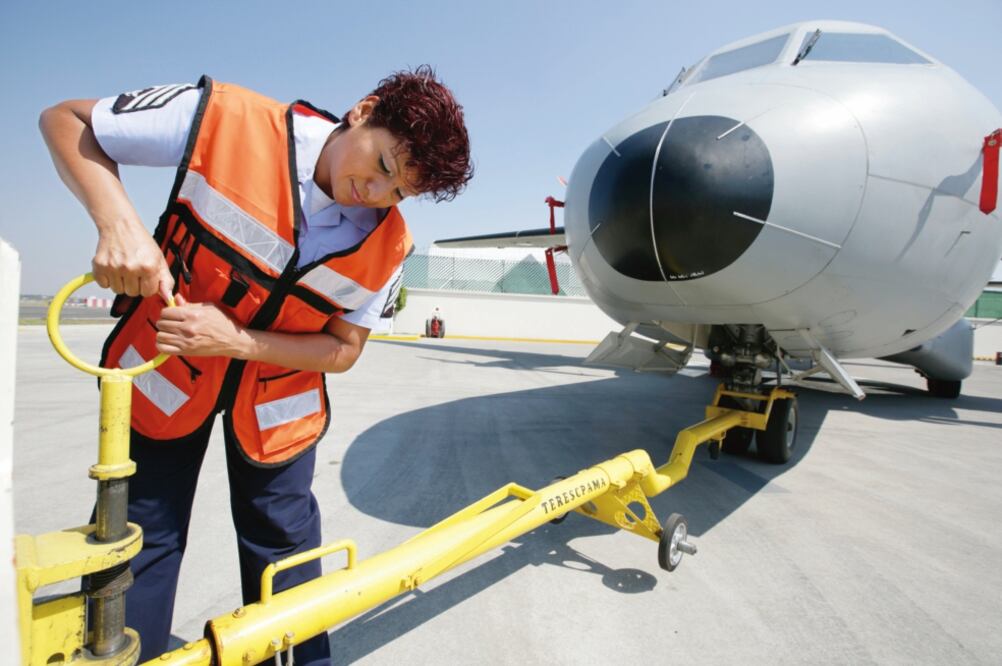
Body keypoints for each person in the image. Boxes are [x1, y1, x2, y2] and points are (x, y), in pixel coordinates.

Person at [39, 67, 473, 664]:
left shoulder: (391, 246)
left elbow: (344, 350)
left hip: (276, 408)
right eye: (384, 167)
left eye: (398, 193)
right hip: (165, 378)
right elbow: (68, 119)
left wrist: (237, 341)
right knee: (140, 539)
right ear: (362, 110)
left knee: (287, 551)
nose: (375, 195)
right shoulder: (225, 119)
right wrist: (120, 225)